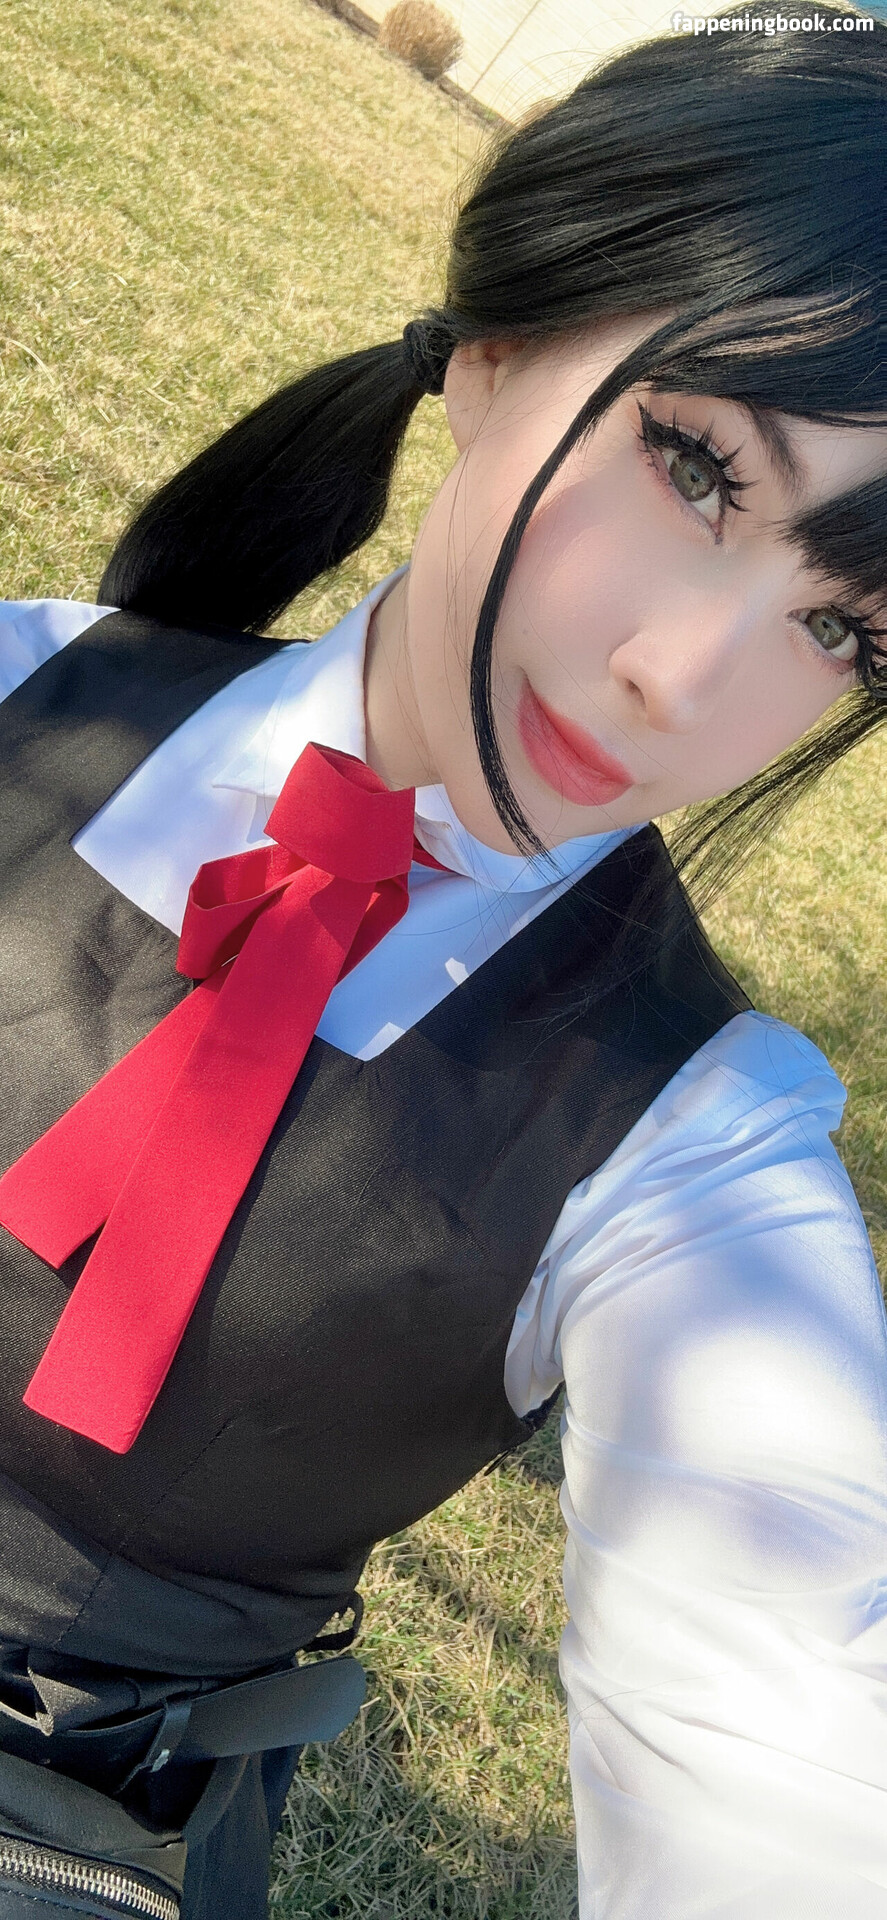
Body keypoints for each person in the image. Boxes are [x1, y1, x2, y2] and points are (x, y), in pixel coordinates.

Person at [0, 6, 885, 1915]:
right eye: (699, 467)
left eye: (849, 628)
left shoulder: (697, 1150)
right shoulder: (22, 689)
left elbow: (791, 1712)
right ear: (495, 353)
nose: (682, 681)